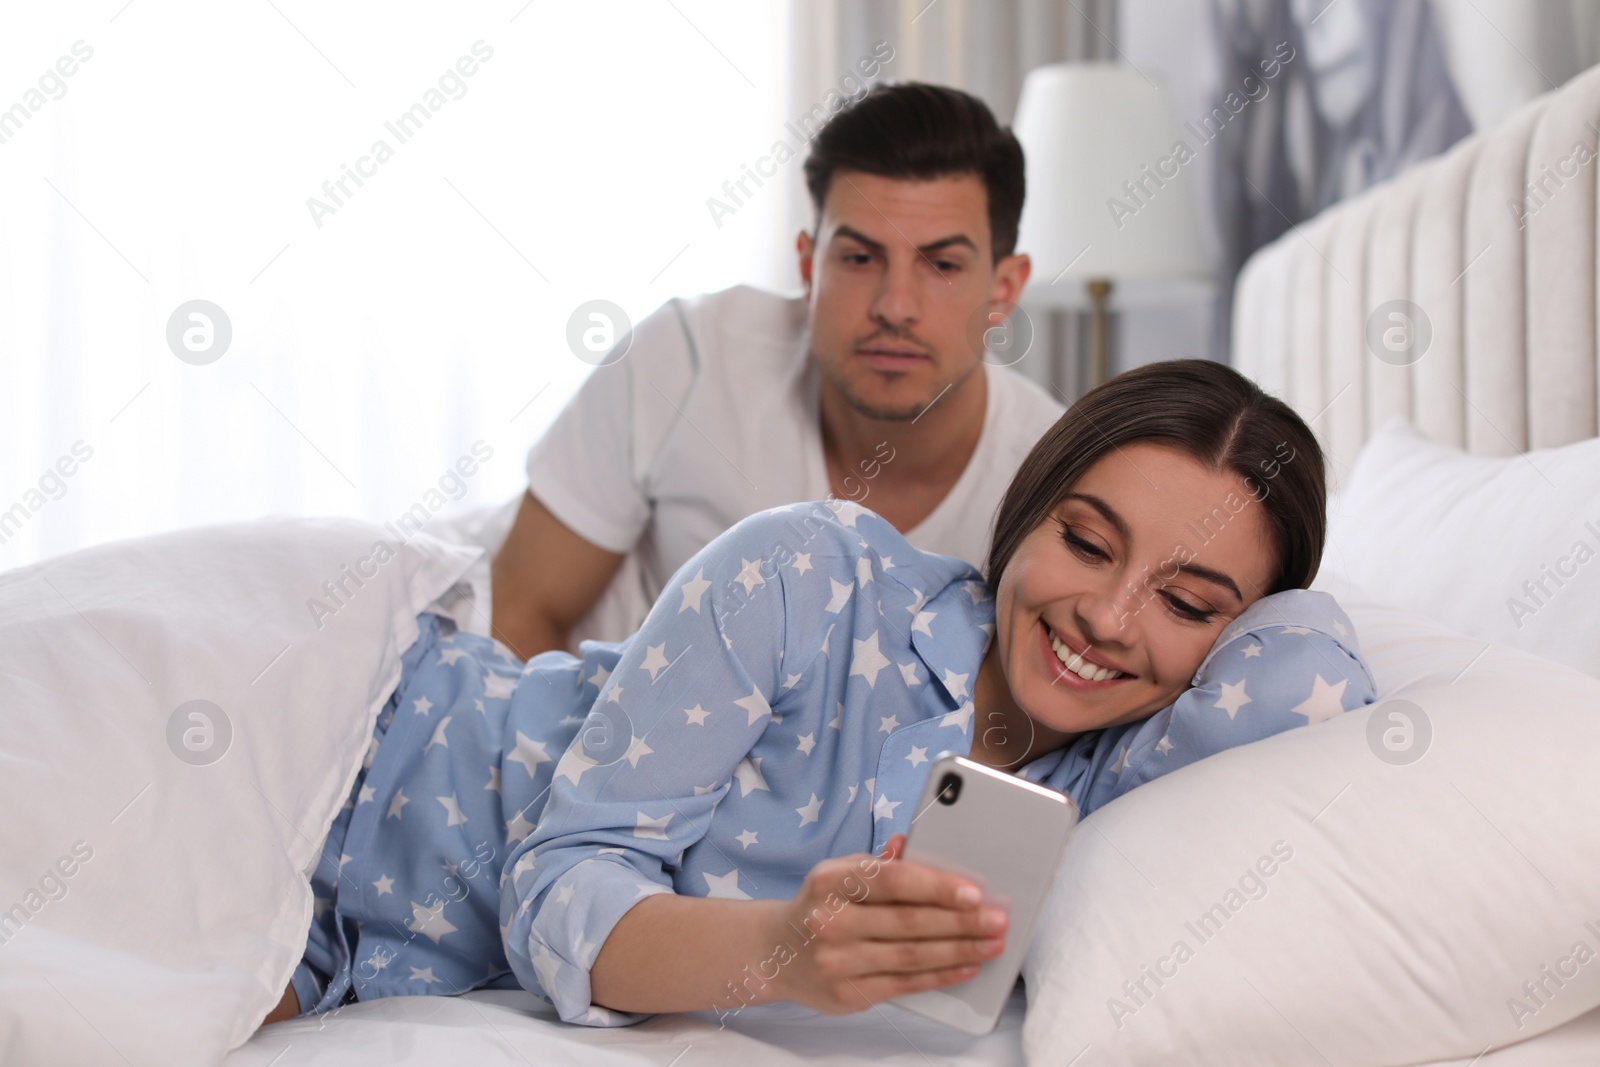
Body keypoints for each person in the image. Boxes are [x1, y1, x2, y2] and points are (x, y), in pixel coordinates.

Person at [262, 359, 1375, 1028]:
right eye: (1086, 542)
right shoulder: (812, 573)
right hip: (351, 748)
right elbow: (555, 883)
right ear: (1029, 507)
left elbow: (1309, 670)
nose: (1107, 617)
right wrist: (782, 951)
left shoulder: (1121, 781)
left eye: (1188, 602)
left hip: (365, 961)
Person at [488, 82, 1064, 660]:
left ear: (1004, 289)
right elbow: (518, 612)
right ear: (809, 267)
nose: (895, 306)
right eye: (859, 259)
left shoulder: (1061, 479)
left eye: (941, 264)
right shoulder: (681, 361)